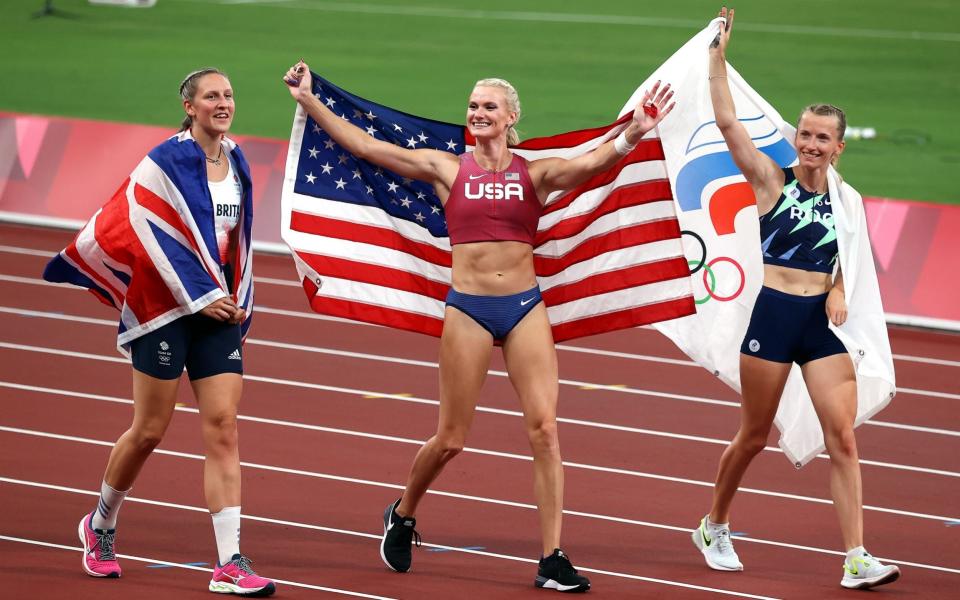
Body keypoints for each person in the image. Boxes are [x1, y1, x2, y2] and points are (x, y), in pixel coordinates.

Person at [284, 60, 673, 592]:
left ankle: (552, 558)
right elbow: (370, 149)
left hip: (524, 308)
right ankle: (402, 513)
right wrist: (309, 101)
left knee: (546, 430)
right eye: (473, 105)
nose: (478, 113)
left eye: (489, 106)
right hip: (468, 307)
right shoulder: (447, 169)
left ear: (512, 117)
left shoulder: (534, 173)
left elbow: (589, 165)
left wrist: (632, 133)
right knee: (451, 439)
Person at [690, 8, 900, 590]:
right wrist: (716, 62)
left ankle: (856, 556)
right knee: (754, 435)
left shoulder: (847, 200)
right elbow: (730, 126)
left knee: (845, 438)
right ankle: (714, 524)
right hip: (774, 317)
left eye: (821, 137)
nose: (809, 143)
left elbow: (853, 262)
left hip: (821, 327)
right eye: (804, 133)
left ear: (838, 148)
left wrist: (836, 288)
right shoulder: (770, 182)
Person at [44, 68, 274, 596]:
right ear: (189, 106)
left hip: (219, 313)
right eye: (212, 96)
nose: (223, 103)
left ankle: (229, 561)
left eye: (229, 95)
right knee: (149, 430)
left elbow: (237, 238)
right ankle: (100, 523)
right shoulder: (163, 161)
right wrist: (200, 295)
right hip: (164, 310)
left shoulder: (235, 159)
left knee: (224, 428)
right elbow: (145, 230)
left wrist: (234, 293)